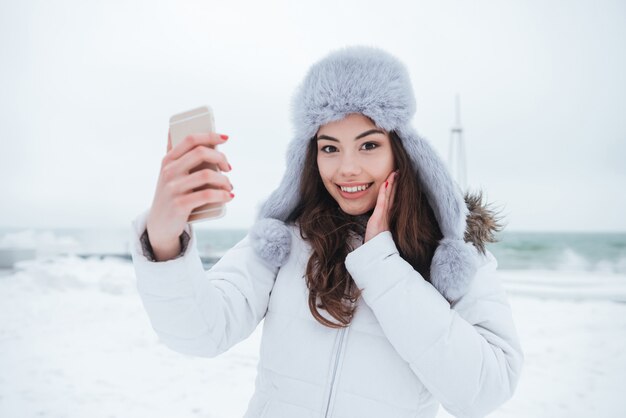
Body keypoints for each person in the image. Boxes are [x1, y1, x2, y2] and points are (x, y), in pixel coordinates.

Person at [130, 46, 524, 418]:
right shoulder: (286, 240)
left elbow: (486, 388)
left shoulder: (451, 253)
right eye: (330, 148)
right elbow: (199, 334)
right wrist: (164, 238)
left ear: (401, 149)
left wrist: (382, 264)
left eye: (368, 145)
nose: (346, 168)